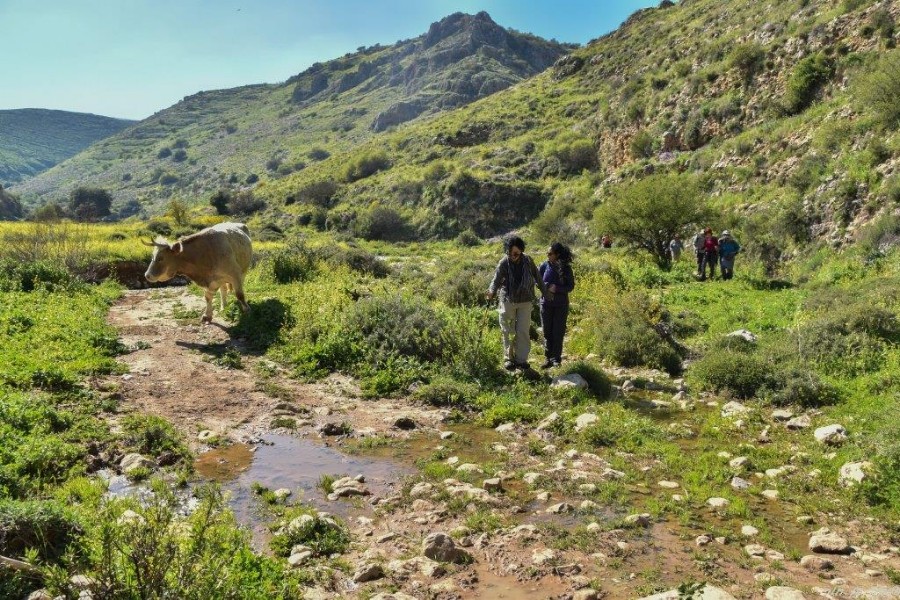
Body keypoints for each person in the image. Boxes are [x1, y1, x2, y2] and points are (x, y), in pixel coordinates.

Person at [487, 236, 546, 370]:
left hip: (525, 300)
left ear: (521, 251)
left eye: (515, 253)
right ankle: (508, 359)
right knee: (508, 330)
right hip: (508, 300)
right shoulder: (504, 262)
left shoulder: (528, 260)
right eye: (509, 253)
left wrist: (546, 293)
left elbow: (537, 277)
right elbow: (496, 280)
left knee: (523, 331)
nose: (512, 256)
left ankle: (521, 360)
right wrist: (491, 291)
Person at [539, 242, 575, 369]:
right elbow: (536, 280)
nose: (547, 256)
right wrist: (546, 286)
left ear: (557, 255)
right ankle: (548, 358)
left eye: (550, 254)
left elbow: (570, 286)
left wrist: (557, 288)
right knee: (547, 331)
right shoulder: (543, 266)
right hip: (545, 304)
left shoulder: (566, 268)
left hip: (561, 305)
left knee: (558, 332)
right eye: (547, 253)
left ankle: (556, 359)